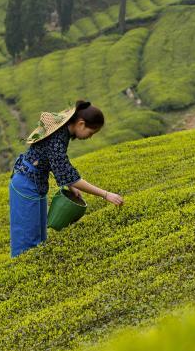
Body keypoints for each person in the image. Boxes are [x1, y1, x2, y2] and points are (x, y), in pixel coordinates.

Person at [9, 100, 124, 257]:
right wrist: (106, 194)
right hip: (26, 185)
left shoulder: (63, 133)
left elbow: (58, 165)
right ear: (81, 124)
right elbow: (68, 174)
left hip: (34, 184)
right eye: (91, 133)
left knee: (39, 239)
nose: (89, 137)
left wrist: (71, 186)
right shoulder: (58, 137)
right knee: (26, 245)